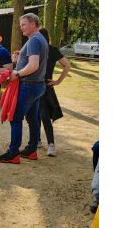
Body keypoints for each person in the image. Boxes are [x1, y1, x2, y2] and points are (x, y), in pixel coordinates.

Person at [0, 13, 48, 163]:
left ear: (33, 24)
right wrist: (21, 57)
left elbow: (33, 65)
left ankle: (13, 153)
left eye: (24, 25)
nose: (21, 28)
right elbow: (33, 62)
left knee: (15, 117)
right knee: (32, 118)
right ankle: (31, 150)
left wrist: (17, 73)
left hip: (30, 85)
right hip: (38, 85)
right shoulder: (40, 39)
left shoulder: (34, 40)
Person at [38, 28, 71, 157]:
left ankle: (51, 144)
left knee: (44, 116)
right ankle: (37, 141)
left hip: (45, 87)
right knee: (32, 116)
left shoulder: (51, 50)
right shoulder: (33, 49)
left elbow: (67, 65)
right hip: (32, 86)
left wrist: (57, 81)